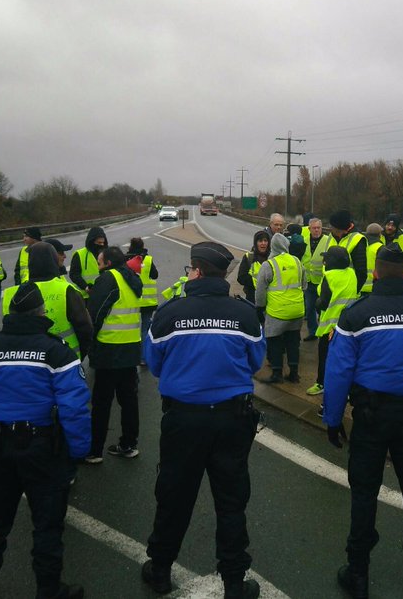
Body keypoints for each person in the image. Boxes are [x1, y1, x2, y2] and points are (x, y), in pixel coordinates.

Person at [323, 243, 403, 599]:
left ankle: (358, 574)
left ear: (375, 273)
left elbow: (338, 373)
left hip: (371, 417)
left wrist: (332, 419)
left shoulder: (355, 316)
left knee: (364, 493)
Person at [141, 242, 266, 599]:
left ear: (195, 271)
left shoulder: (169, 313)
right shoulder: (244, 314)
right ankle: (234, 583)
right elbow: (255, 362)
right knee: (231, 501)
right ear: (223, 274)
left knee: (174, 496)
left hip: (183, 420)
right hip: (232, 420)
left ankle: (160, 571)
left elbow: (155, 364)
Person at [0, 283, 92, 599]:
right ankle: (48, 588)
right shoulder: (56, 351)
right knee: (47, 523)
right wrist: (79, 449)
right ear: (41, 313)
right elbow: (74, 407)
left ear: (10, 313)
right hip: (42, 447)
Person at [85, 246, 143, 463]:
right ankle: (129, 444)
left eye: (100, 263)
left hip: (109, 349)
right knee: (128, 401)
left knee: (101, 403)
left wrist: (89, 343)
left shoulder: (108, 278)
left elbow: (95, 314)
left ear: (108, 263)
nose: (98, 267)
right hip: (131, 348)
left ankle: (95, 451)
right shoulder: (132, 278)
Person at [2, 242, 93, 362]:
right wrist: (80, 354)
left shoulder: (12, 294)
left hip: (25, 362)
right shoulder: (67, 290)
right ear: (53, 261)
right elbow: (85, 329)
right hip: (64, 360)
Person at [255, 233, 305, 384]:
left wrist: (260, 307)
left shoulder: (268, 265)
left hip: (277, 312)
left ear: (273, 246)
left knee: (275, 341)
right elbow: (304, 284)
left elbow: (260, 291)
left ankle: (277, 374)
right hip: (297, 310)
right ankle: (294, 374)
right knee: (293, 341)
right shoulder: (296, 261)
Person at [308, 246, 357, 396]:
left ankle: (321, 383)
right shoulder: (351, 273)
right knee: (345, 358)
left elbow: (323, 303)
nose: (324, 261)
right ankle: (347, 388)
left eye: (327, 258)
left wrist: (316, 304)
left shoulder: (329, 277)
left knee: (325, 357)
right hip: (347, 325)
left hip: (329, 327)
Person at [301, 218, 331, 341]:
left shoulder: (328, 241)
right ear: (309, 229)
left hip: (323, 282)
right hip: (309, 281)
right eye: (314, 228)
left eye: (319, 228)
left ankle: (324, 332)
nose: (317, 230)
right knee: (309, 308)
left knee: (323, 308)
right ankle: (313, 332)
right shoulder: (304, 241)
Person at [126, 237, 159, 342]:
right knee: (145, 327)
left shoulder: (126, 260)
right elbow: (155, 275)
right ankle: (144, 350)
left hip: (131, 300)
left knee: (130, 327)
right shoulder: (148, 259)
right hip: (147, 301)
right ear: (142, 246)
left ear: (130, 246)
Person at [327, 210, 368, 292]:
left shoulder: (358, 240)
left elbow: (361, 273)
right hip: (329, 288)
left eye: (333, 228)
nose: (331, 229)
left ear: (341, 230)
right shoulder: (331, 236)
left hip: (346, 292)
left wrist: (353, 292)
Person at [236, 231, 270, 309]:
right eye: (260, 241)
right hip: (252, 298)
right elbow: (241, 278)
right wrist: (259, 283)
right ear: (255, 243)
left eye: (265, 241)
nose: (263, 243)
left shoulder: (273, 257)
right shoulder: (249, 257)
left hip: (270, 299)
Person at [69, 227, 106, 299]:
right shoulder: (79, 254)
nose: (101, 245)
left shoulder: (106, 254)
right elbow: (74, 274)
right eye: (99, 243)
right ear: (92, 241)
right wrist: (85, 286)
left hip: (103, 295)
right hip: (85, 297)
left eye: (103, 243)